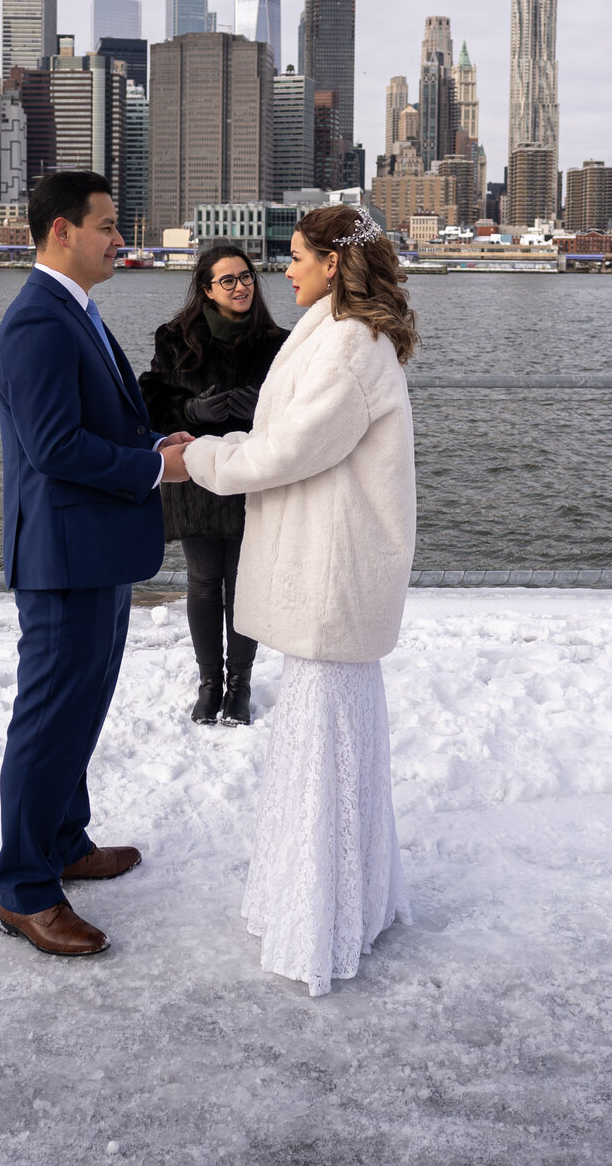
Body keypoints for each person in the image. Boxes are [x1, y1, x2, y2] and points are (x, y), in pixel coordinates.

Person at [182, 204, 418, 996]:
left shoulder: (351, 347)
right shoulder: (335, 330)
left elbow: (289, 449)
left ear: (333, 263)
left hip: (335, 570)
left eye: (294, 256)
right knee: (331, 750)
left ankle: (322, 917)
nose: (283, 270)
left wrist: (204, 459)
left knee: (326, 752)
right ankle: (338, 897)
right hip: (328, 563)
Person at [0, 169, 195, 959]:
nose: (121, 238)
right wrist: (157, 471)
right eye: (107, 225)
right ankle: (26, 889)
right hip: (63, 557)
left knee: (80, 709)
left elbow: (94, 423)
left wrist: (150, 445)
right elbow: (55, 448)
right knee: (46, 722)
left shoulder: (75, 310)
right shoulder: (38, 321)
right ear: (60, 232)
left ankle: (65, 841)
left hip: (95, 551)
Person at [139, 244, 289, 728]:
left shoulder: (279, 342)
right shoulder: (175, 338)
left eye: (245, 277)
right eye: (228, 280)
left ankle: (239, 686)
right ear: (206, 288)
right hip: (197, 472)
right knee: (204, 582)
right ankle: (209, 684)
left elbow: (301, 412)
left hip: (253, 472)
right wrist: (191, 412)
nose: (241, 286)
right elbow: (153, 401)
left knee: (244, 583)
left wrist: (259, 409)